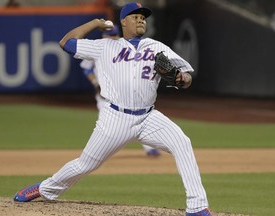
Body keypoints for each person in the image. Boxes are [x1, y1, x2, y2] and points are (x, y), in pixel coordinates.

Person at [13, 2, 211, 216]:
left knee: (182, 143)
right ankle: (44, 188)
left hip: (148, 117)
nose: (140, 19)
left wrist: (182, 78)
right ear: (123, 22)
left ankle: (197, 207)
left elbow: (187, 77)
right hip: (115, 118)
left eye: (143, 16)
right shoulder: (105, 47)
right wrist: (94, 23)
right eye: (135, 16)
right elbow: (65, 42)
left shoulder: (157, 47)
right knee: (85, 164)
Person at [80, 24, 160, 157]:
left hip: (124, 93)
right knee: (105, 123)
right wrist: (95, 82)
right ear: (104, 36)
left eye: (114, 35)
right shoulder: (98, 48)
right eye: (109, 35)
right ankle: (99, 151)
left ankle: (149, 148)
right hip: (104, 94)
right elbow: (87, 69)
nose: (112, 38)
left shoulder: (126, 48)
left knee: (140, 118)